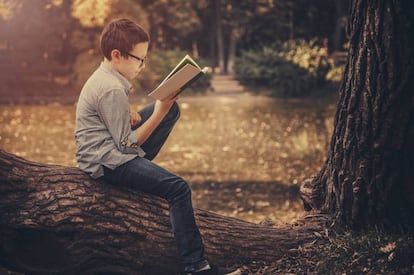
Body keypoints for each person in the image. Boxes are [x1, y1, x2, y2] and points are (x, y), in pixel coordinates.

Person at [74, 18, 241, 275]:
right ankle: (196, 266)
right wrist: (158, 111)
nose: (143, 65)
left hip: (111, 149)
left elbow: (113, 125)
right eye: (139, 58)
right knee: (177, 188)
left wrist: (155, 111)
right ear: (116, 55)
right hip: (106, 163)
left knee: (170, 109)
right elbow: (126, 147)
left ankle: (142, 172)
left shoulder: (108, 78)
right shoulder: (110, 89)